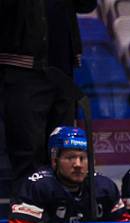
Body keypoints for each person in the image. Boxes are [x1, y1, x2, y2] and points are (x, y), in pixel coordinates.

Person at [1, 0, 98, 184]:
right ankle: (27, 209)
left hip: (62, 66)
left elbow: (86, 5)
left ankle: (62, 207)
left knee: (65, 150)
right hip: (24, 67)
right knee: (28, 154)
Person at [9, 127, 130, 223]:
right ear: (55, 160)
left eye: (82, 158)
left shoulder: (104, 187)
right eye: (70, 158)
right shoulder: (36, 187)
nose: (78, 164)